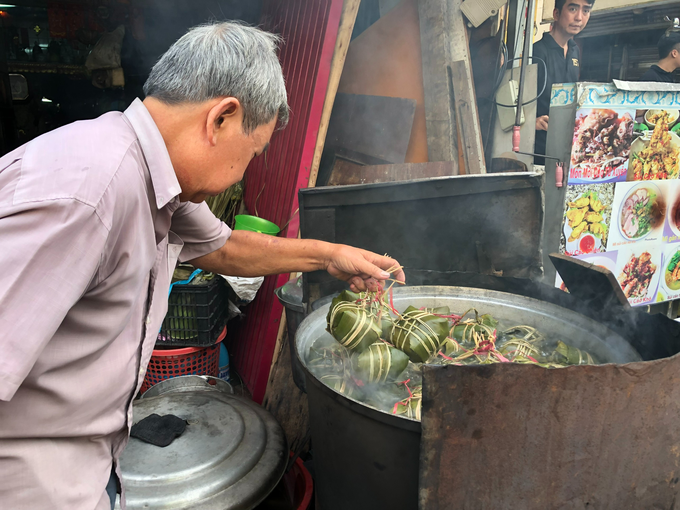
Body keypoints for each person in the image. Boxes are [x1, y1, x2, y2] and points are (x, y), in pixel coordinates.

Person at [0, 22, 406, 510]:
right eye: (253, 153)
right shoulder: (88, 194)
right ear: (222, 118)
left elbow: (227, 248)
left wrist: (329, 255)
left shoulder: (152, 179)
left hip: (92, 468)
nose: (246, 170)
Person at [533, 0, 594, 162]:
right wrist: (532, 122)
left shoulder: (574, 51)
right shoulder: (536, 52)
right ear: (556, 14)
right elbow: (517, 101)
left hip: (565, 148)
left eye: (586, 11)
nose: (579, 17)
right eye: (573, 9)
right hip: (537, 148)